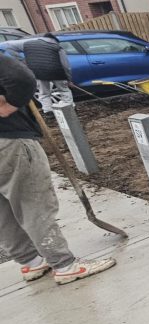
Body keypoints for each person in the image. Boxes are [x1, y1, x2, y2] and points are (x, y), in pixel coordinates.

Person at [0, 53, 115, 285]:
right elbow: (21, 77)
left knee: (3, 209)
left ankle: (30, 262)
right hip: (8, 140)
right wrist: (9, 105)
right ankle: (64, 265)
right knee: (32, 203)